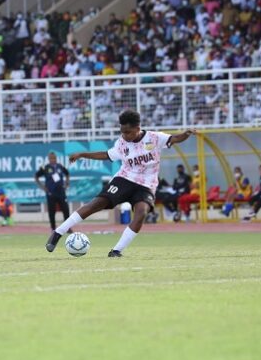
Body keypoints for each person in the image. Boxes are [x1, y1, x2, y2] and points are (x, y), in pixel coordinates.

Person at [45, 109, 195, 257]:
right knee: (97, 203)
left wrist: (186, 134)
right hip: (125, 179)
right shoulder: (121, 143)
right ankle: (58, 232)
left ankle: (116, 251)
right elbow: (106, 155)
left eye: (128, 132)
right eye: (122, 132)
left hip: (147, 185)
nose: (124, 135)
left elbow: (175, 138)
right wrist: (83, 154)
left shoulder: (155, 138)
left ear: (138, 128)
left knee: (141, 213)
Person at [35, 152, 71, 230]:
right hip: (51, 193)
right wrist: (43, 187)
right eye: (51, 158)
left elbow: (67, 174)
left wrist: (67, 184)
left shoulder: (60, 166)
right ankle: (53, 228)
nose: (53, 160)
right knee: (52, 211)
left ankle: (67, 228)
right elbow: (36, 176)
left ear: (56, 158)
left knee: (65, 209)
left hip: (61, 192)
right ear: (48, 159)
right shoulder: (45, 167)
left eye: (54, 158)